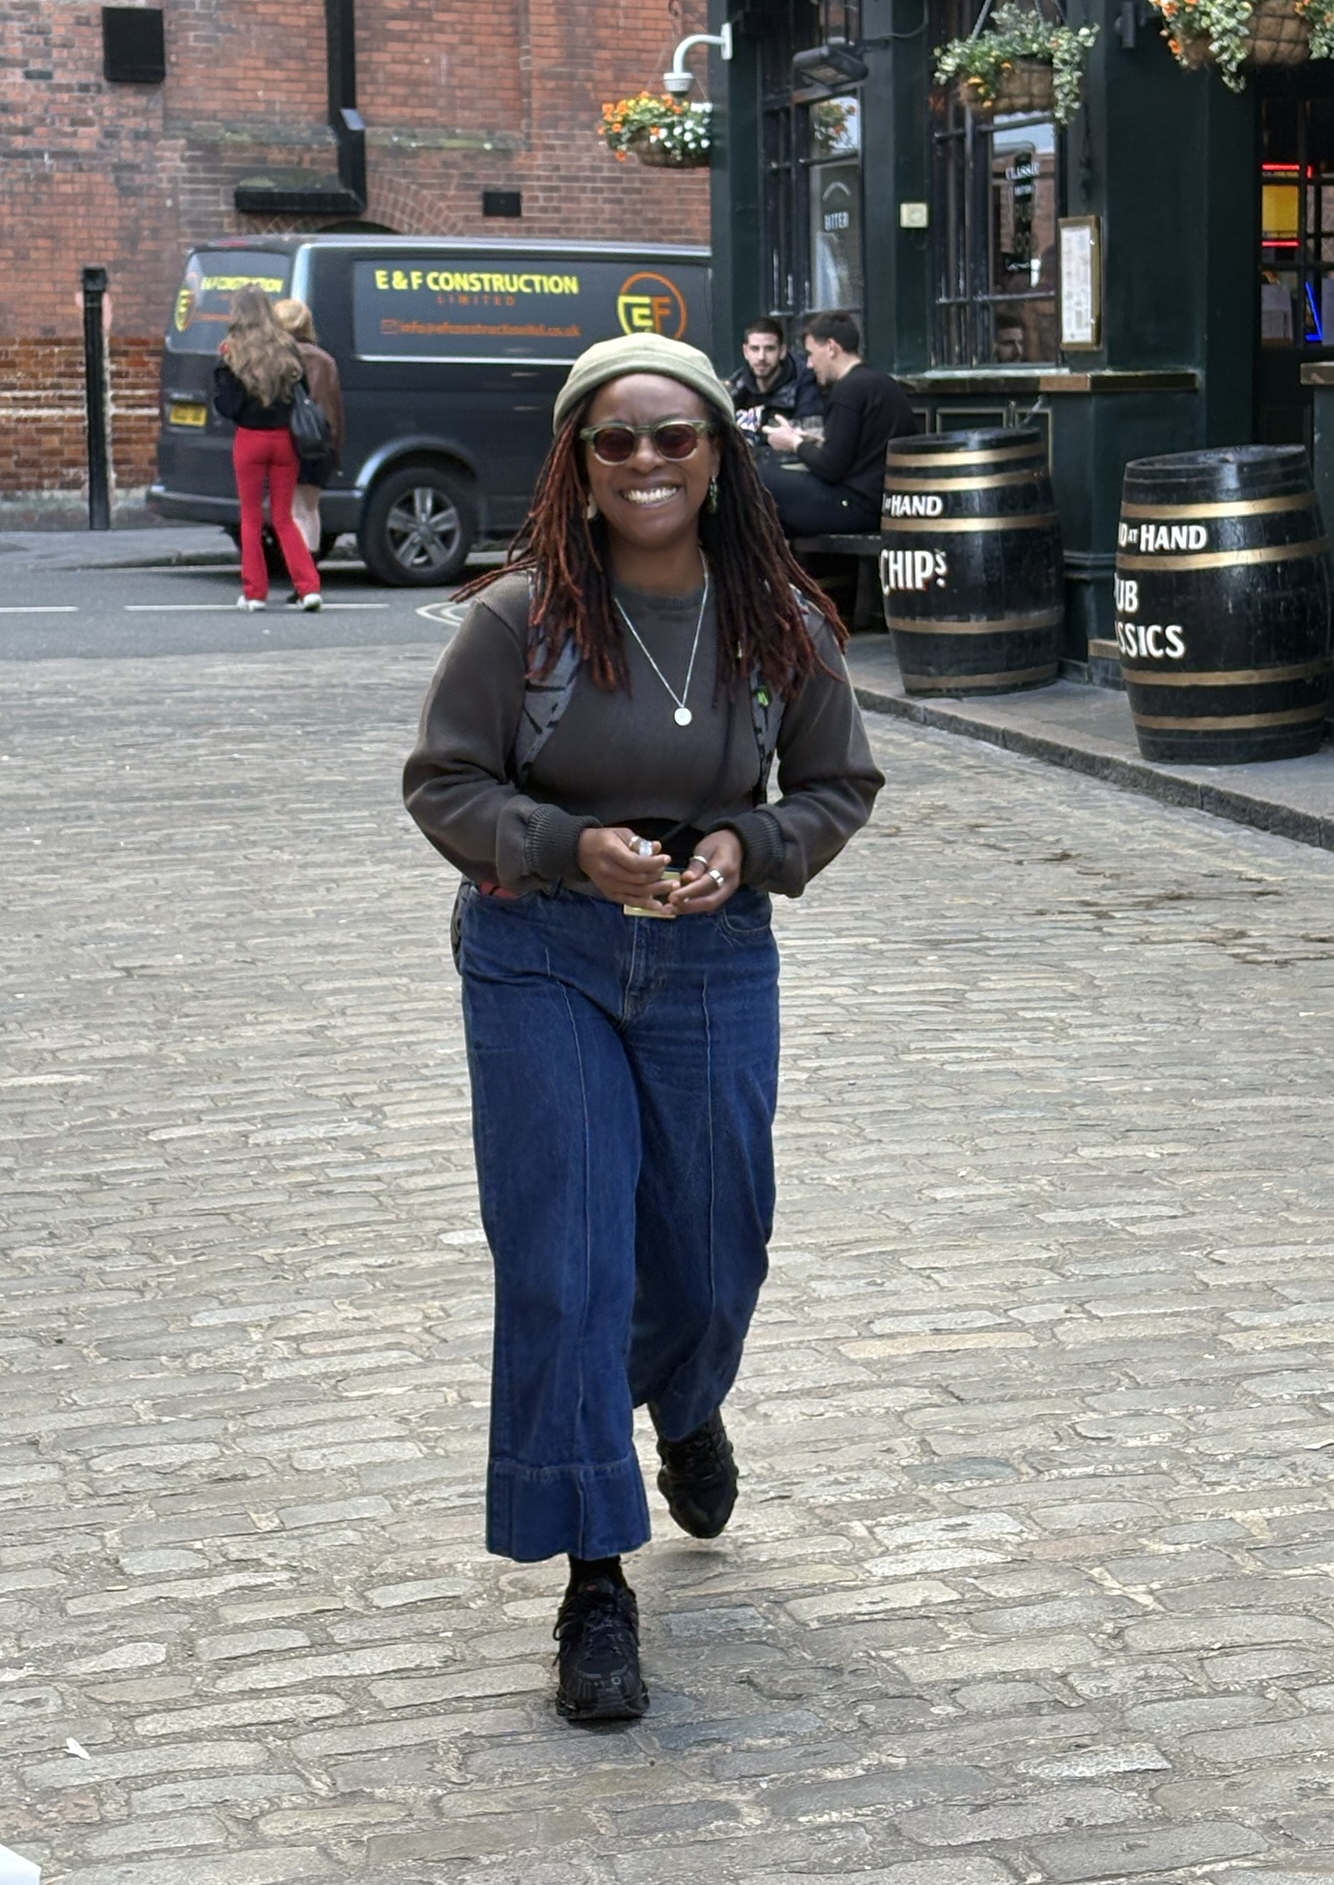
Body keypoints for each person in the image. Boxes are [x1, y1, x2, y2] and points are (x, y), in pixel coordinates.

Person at [403, 331, 882, 1723]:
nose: (648, 461)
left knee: (715, 1244)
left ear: (722, 455)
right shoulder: (520, 620)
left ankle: (683, 1405)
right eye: (616, 441)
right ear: (579, 463)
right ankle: (595, 1580)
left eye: (676, 437)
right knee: (567, 1258)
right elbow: (444, 786)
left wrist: (752, 843)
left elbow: (839, 785)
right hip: (541, 955)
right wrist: (561, 846)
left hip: (715, 954)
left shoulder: (777, 619)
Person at [212, 287, 323, 611]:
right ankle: (309, 588)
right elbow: (302, 392)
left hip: (250, 438)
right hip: (284, 439)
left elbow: (226, 405)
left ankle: (255, 593)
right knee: (284, 517)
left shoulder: (231, 350)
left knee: (250, 518)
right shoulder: (286, 346)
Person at [759, 311, 917, 537]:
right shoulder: (881, 382)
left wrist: (793, 442)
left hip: (857, 507)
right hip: (886, 503)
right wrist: (815, 441)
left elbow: (830, 468)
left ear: (831, 347)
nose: (810, 365)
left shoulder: (848, 389)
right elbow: (863, 447)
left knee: (759, 477)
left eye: (812, 355)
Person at [273, 298, 345, 573]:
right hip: (318, 444)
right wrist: (335, 450)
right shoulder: (324, 360)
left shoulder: (275, 359)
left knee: (292, 513)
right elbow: (334, 410)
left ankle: (302, 579)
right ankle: (311, 570)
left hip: (288, 443)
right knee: (310, 510)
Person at [725, 316, 825, 442]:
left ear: (782, 351)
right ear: (745, 352)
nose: (761, 357)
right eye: (755, 349)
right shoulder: (738, 385)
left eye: (769, 349)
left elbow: (812, 438)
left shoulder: (805, 381)